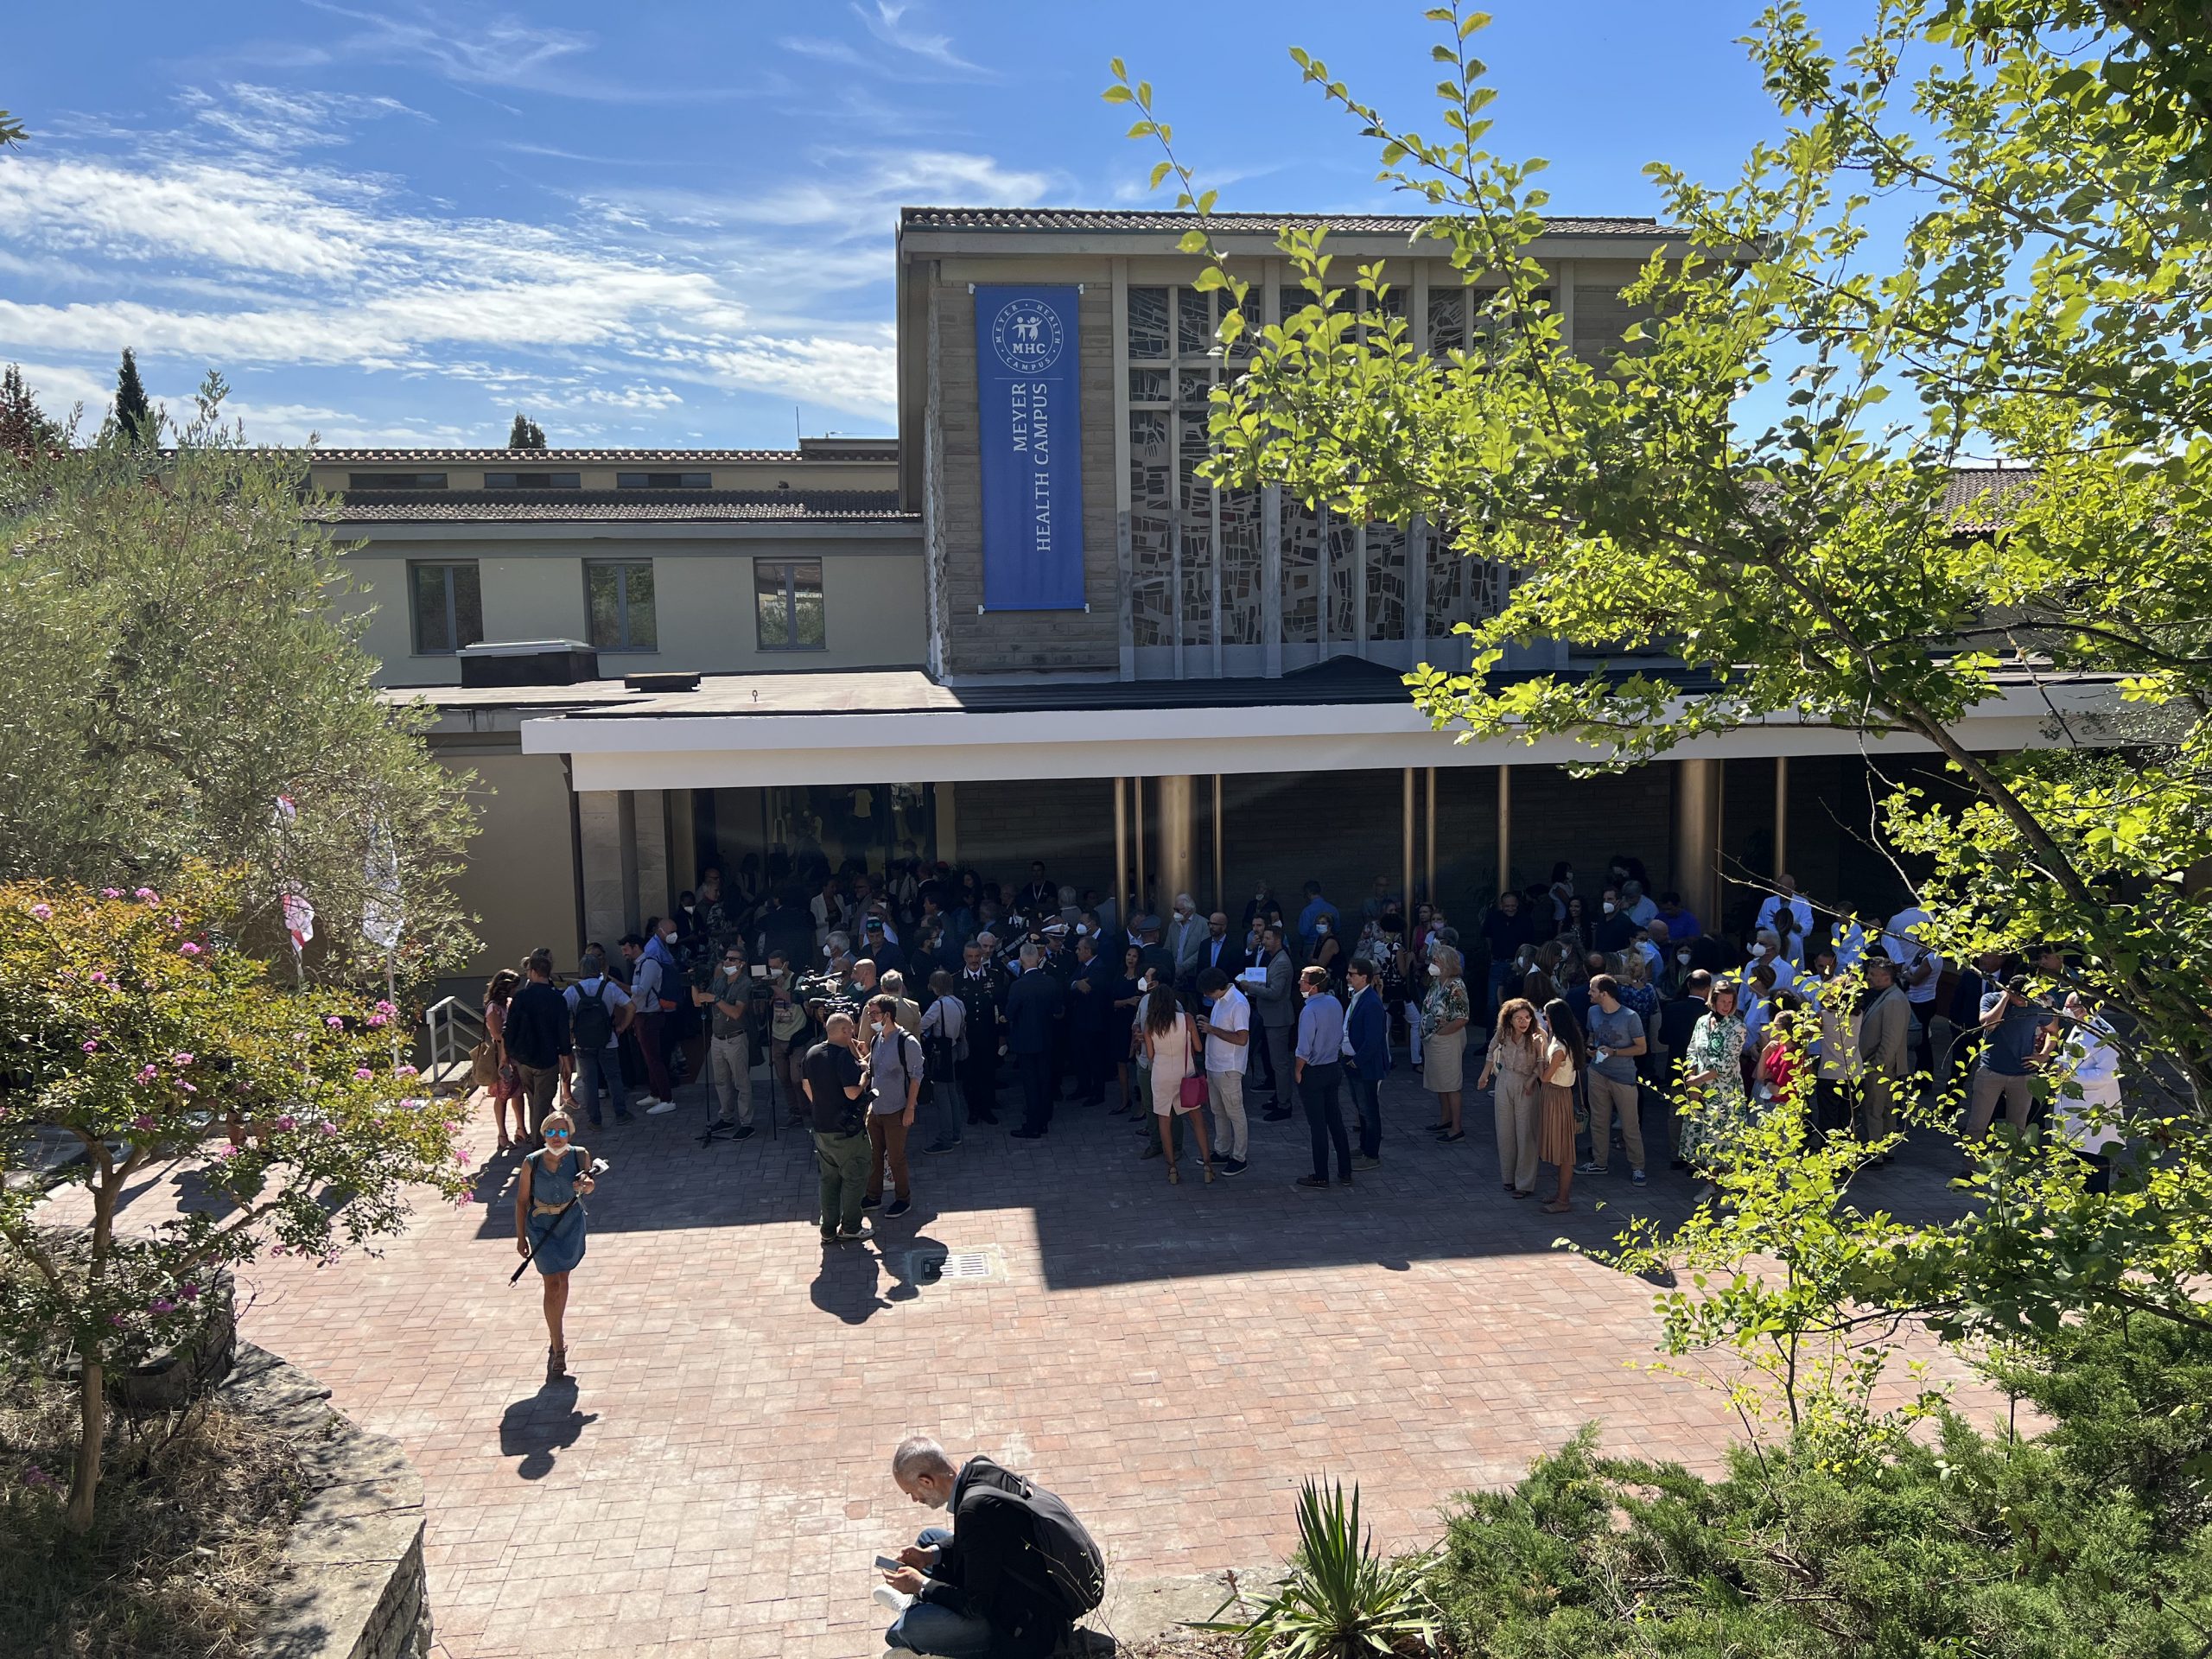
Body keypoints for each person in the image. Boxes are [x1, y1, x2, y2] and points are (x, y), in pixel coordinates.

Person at [877, 1437, 1101, 1659]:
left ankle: (916, 1627)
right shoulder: (981, 1468)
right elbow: (985, 1543)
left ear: (926, 1482)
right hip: (1016, 1583)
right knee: (930, 1540)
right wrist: (928, 1556)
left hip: (1027, 1627)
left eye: (911, 1493)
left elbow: (976, 1605)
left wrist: (921, 1584)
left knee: (911, 1628)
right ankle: (918, 1605)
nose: (915, 1500)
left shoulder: (973, 1512)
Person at [514, 1110, 596, 1382]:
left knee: (563, 1278)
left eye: (562, 1131)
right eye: (551, 1131)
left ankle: (556, 1333)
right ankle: (557, 1344)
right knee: (552, 1283)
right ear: (543, 1134)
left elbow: (588, 1184)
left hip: (569, 1223)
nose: (557, 1137)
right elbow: (522, 1201)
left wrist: (586, 1186)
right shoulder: (532, 1163)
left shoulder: (579, 1155)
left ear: (569, 1134)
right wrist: (520, 1236)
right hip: (541, 1227)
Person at [803, 1012, 874, 1243]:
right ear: (844, 1031)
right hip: (846, 1131)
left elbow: (807, 1088)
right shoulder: (842, 1057)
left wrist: (824, 1105)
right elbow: (852, 1092)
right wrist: (865, 1074)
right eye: (851, 1029)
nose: (852, 1034)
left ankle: (828, 1230)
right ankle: (851, 1226)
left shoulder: (811, 1053)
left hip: (821, 1128)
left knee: (829, 1180)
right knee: (855, 1176)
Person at [1965, 973, 2056, 1147]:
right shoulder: (1991, 999)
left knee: (2018, 1127)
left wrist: (2044, 1055)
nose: (2023, 1002)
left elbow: (2053, 1031)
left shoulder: (2036, 1006)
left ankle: (2009, 1168)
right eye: (2019, 997)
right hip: (1991, 1071)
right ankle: (1969, 1168)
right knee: (1977, 1125)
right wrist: (2005, 998)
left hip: (2023, 1074)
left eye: (2027, 997)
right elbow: (1988, 1025)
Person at [1678, 980, 1751, 1199]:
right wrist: (1691, 1079)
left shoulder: (1737, 1027)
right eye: (1723, 1001)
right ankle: (1710, 1183)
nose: (1726, 1006)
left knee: (1725, 1140)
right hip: (1700, 1089)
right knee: (1704, 1139)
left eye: (1730, 1002)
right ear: (1714, 1000)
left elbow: (1724, 1065)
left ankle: (1729, 1188)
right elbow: (1692, 1050)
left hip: (1725, 1093)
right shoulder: (1702, 1021)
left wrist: (1695, 1082)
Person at [1579, 973, 1650, 1185]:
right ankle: (1599, 1162)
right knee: (1599, 1121)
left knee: (1630, 1125)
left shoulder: (1630, 1017)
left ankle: (1638, 1167)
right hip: (1597, 1072)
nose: (1589, 993)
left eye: (1592, 989)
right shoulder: (1593, 1011)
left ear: (1604, 993)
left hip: (1623, 1076)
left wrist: (1614, 1052)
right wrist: (1590, 1049)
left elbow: (1642, 1048)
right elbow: (1592, 1037)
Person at [2052, 990, 2125, 1192]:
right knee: (2075, 1167)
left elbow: (2108, 1074)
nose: (2065, 1011)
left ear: (2084, 1009)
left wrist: (2069, 1075)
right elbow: (2071, 1058)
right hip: (2073, 1109)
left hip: (2093, 1113)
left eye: (2070, 1007)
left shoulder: (2103, 1034)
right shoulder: (2079, 1027)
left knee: (2094, 1171)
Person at [1141, 981, 1212, 1183]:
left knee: (1164, 1121)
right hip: (1185, 1075)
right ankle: (1207, 1165)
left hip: (1161, 1075)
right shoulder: (1187, 1019)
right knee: (1197, 1120)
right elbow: (1198, 1048)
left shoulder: (1150, 1025)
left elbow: (1151, 1054)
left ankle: (1172, 1168)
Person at [861, 994, 924, 1218]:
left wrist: (910, 1109)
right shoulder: (878, 1039)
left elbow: (917, 1076)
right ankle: (873, 1196)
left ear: (888, 1015)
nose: (871, 1018)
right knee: (874, 1155)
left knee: (895, 1158)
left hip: (897, 1110)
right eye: (870, 1014)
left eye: (875, 1014)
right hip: (875, 1109)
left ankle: (902, 1198)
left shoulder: (907, 1042)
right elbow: (872, 1068)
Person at [1290, 964, 1352, 1189]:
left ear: (1314, 987)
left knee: (1317, 1126)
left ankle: (1320, 1175)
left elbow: (1304, 1048)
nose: (1300, 984)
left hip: (1314, 1072)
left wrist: (1298, 1070)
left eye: (1304, 981)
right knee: (1335, 1121)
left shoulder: (1309, 1011)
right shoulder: (1335, 1003)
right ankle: (1345, 1171)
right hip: (1332, 1067)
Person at [505, 949, 575, 1146]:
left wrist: (510, 1054)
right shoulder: (557, 999)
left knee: (532, 1100)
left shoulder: (521, 998)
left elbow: (510, 1028)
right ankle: (538, 1143)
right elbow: (563, 1032)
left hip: (524, 1057)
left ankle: (538, 1141)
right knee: (542, 1103)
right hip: (547, 1057)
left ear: (534, 971)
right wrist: (566, 1057)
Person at [1478, 997, 1544, 1198]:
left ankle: (1524, 1183)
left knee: (1526, 1133)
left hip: (1526, 1084)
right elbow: (1491, 1051)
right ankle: (1508, 1177)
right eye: (1518, 1018)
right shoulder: (1504, 1032)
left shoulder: (1538, 1035)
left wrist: (1532, 1080)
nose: (1523, 1022)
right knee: (1505, 1131)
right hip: (1505, 1079)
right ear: (1510, 1020)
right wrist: (1484, 1074)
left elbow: (1542, 1062)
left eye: (1527, 1017)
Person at [692, 942, 759, 1140]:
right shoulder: (720, 981)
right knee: (721, 1081)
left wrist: (714, 999)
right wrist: (694, 982)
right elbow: (698, 1001)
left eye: (732, 959)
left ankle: (747, 1122)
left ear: (742, 963)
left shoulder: (745, 983)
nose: (727, 961)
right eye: (726, 958)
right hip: (717, 1038)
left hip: (736, 1038)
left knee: (741, 1082)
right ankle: (727, 1117)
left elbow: (737, 1012)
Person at [563, 950, 632, 1130]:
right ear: (599, 969)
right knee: (614, 1077)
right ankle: (621, 1113)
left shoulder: (573, 991)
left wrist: (570, 1032)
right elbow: (631, 1007)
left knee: (589, 1082)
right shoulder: (609, 988)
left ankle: (595, 1120)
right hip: (608, 1040)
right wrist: (621, 1027)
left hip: (583, 1042)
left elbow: (561, 1013)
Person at [1194, 967, 1251, 1176]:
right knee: (1218, 1111)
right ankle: (1222, 1150)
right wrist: (1211, 1024)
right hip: (1214, 1065)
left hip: (1229, 1068)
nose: (1206, 996)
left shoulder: (1238, 1003)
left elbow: (1241, 1038)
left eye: (1207, 992)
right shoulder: (1220, 1000)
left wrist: (1212, 1030)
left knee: (1235, 1113)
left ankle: (1239, 1157)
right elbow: (1224, 1029)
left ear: (1217, 988)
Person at [1005, 944, 1065, 1140]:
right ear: (1039, 959)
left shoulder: (1018, 986)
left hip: (1025, 1042)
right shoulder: (1050, 982)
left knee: (1031, 1084)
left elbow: (1009, 1013)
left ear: (1021, 961)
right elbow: (1057, 1011)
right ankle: (1044, 1119)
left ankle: (1033, 1125)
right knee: (1045, 1080)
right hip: (1047, 1039)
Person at [1535, 1000, 1586, 1215]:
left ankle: (1564, 1200)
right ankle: (1559, 1195)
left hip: (1557, 1097)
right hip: (1554, 1095)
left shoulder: (1560, 1047)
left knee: (1564, 1151)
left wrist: (1539, 1053)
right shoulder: (1563, 1039)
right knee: (1560, 1148)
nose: (1544, 1020)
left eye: (1546, 1016)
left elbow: (1545, 1077)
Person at [1856, 956, 1913, 1152]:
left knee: (1874, 1109)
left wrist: (1876, 1066)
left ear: (1885, 976)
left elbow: (1890, 1040)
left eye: (1872, 974)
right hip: (1881, 1066)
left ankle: (1875, 1152)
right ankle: (1887, 1149)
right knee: (1886, 1109)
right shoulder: (1886, 995)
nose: (1868, 977)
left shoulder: (1894, 1000)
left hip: (1882, 1067)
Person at [1341, 957, 1391, 1170]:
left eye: (1352, 974)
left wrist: (1356, 1062)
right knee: (1361, 1109)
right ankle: (1363, 1147)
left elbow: (1373, 1039)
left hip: (1365, 1067)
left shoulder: (1371, 1002)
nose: (1348, 978)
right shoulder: (1358, 997)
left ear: (1364, 977)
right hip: (1355, 1063)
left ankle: (1372, 1154)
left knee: (1369, 1111)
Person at [619, 931, 676, 1112]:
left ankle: (667, 1099)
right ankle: (655, 1093)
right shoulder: (640, 965)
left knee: (654, 1059)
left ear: (636, 947)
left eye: (626, 949)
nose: (624, 954)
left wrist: (618, 985)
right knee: (649, 1058)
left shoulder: (649, 963)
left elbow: (641, 990)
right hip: (642, 1016)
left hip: (651, 1017)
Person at [1421, 944, 1472, 1141]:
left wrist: (1439, 1034)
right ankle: (1445, 1119)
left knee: (1451, 1083)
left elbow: (1462, 1018)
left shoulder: (1456, 986)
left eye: (1436, 961)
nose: (1432, 964)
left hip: (1448, 1039)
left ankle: (1457, 1128)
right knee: (1440, 1082)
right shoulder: (1436, 982)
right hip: (1434, 1040)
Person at [1248, 925, 1298, 1119]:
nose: (1264, 941)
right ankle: (1280, 1096)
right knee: (1277, 1062)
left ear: (1277, 939)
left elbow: (1275, 992)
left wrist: (1251, 987)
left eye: (1267, 938)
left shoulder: (1282, 962)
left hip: (1278, 1019)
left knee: (1280, 1063)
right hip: (1271, 1017)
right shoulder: (1276, 959)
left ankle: (1284, 1104)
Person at [920, 969, 969, 1154]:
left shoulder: (938, 1005)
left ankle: (945, 1138)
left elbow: (923, 1024)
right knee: (952, 1092)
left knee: (942, 1094)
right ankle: (956, 1133)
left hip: (941, 1052)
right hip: (954, 1048)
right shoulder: (959, 1002)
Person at [954, 943, 1002, 1126]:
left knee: (987, 1073)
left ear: (982, 957)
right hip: (967, 1037)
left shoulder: (994, 976)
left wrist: (1002, 1036)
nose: (974, 960)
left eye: (977, 956)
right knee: (969, 1075)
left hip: (988, 1035)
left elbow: (1000, 1007)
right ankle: (973, 1110)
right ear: (965, 958)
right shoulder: (956, 980)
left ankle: (986, 1108)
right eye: (970, 957)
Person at [480, 968, 522, 1152]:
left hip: (514, 1051)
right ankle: (502, 1134)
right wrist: (505, 1058)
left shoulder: (509, 1003)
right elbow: (499, 1034)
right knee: (502, 1094)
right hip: (502, 1054)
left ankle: (521, 1129)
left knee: (518, 1092)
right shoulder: (493, 1007)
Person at [1481, 890, 1533, 1020]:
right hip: (1498, 962)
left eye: (1513, 905)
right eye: (1507, 906)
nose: (1510, 909)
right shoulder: (1493, 918)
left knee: (1517, 1001)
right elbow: (1487, 937)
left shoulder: (1525, 919)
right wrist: (1492, 952)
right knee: (1492, 1003)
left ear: (1517, 904)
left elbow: (1530, 944)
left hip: (1517, 965)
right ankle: (1491, 1037)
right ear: (1502, 905)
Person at [1109, 944, 1146, 1115]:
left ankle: (1144, 1105)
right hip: (1118, 1023)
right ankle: (1125, 1100)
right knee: (1121, 1063)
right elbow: (1110, 1001)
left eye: (1134, 956)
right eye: (1128, 955)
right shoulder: (1118, 976)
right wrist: (1126, 1002)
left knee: (1139, 1063)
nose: (1130, 959)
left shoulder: (1142, 980)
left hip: (1136, 1024)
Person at [1296, 880, 1341, 954]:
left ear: (1308, 892)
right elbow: (1337, 929)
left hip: (1311, 945)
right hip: (1330, 945)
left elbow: (1303, 932)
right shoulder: (1333, 909)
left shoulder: (1307, 911)